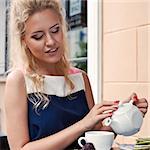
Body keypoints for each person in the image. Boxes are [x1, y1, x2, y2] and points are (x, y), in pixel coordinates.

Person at [4, 0, 148, 149]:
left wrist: (126, 114)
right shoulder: (19, 81)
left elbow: (94, 134)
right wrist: (83, 124)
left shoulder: (80, 77)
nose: (51, 41)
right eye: (38, 36)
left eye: (55, 30)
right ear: (24, 41)